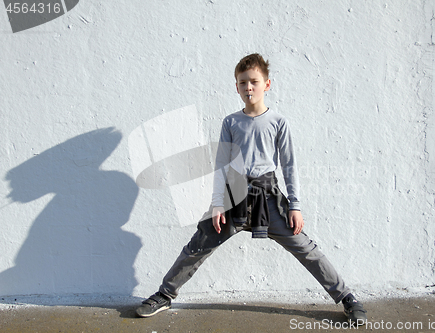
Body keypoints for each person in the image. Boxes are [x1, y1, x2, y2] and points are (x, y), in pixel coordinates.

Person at [136, 53, 367, 325]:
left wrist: (295, 205)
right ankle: (165, 294)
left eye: (254, 82)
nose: (249, 87)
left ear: (267, 84)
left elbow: (289, 165)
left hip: (268, 198)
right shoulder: (231, 122)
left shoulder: (279, 122)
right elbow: (221, 164)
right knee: (198, 246)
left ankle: (347, 298)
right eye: (243, 82)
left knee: (306, 248)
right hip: (233, 198)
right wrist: (218, 203)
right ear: (236, 86)